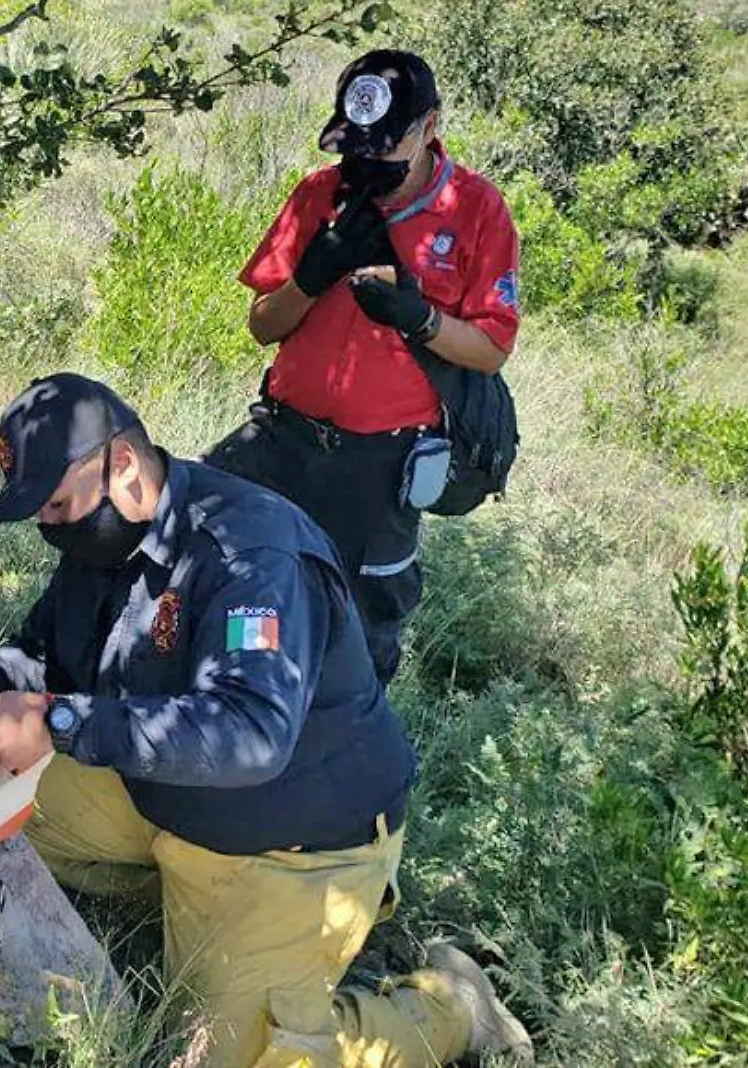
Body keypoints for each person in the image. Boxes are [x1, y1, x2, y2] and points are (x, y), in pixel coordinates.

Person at [0, 372, 532, 1067]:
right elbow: (46, 648)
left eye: (56, 503)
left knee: (240, 1058)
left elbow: (252, 734)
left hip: (287, 839)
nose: (49, 526)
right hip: (160, 795)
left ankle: (450, 1006)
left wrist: (59, 722)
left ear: (123, 466)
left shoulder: (249, 555)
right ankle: (169, 892)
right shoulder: (103, 538)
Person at [206, 49, 521, 682]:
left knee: (355, 634)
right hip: (281, 439)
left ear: (430, 126)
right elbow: (263, 324)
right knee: (217, 562)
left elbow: (491, 347)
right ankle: (236, 701)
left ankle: (339, 753)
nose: (366, 162)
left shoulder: (477, 210)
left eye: (384, 146)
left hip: (377, 467)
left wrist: (418, 317)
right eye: (355, 146)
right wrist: (310, 277)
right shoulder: (319, 194)